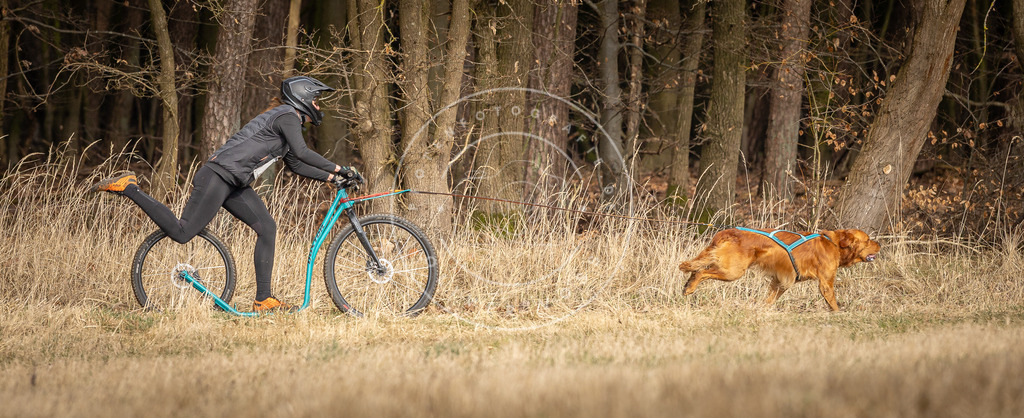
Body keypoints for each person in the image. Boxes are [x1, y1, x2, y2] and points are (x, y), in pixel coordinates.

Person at [92, 76, 361, 313]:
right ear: (302, 97)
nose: (318, 106)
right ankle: (129, 187)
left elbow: (297, 163)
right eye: (316, 100)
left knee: (267, 227)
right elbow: (303, 153)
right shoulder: (286, 115)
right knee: (182, 233)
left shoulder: (286, 122)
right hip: (219, 176)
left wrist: (333, 177)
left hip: (235, 183)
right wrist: (341, 168)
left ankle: (264, 300)